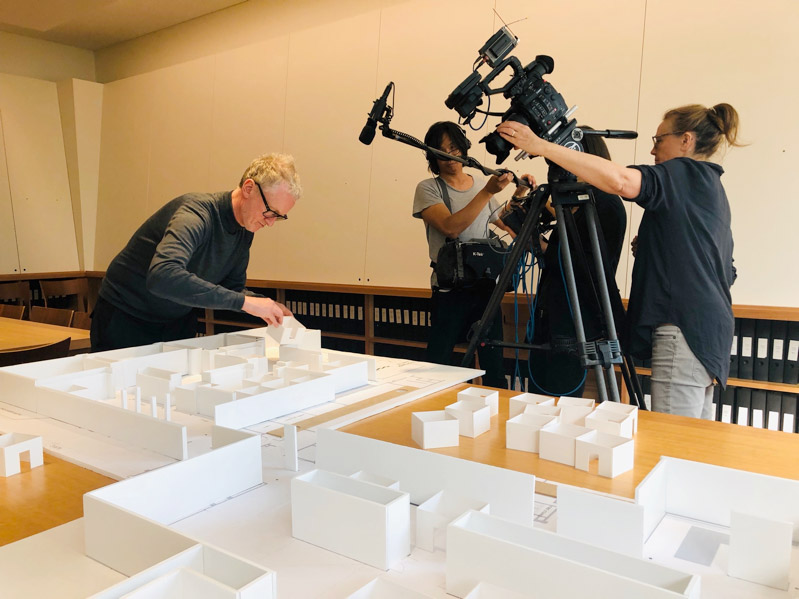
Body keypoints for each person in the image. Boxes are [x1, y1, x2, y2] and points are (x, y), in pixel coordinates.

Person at [498, 104, 741, 418]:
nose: (652, 149)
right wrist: (656, 249)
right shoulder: (710, 188)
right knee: (690, 440)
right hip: (708, 334)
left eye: (659, 139)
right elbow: (726, 270)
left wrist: (540, 145)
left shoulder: (685, 172)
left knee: (672, 439)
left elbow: (623, 182)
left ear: (686, 140)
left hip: (683, 331)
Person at [91, 153, 302, 352]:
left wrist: (269, 306)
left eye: (279, 217)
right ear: (248, 188)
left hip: (175, 320)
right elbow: (163, 275)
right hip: (126, 316)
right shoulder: (196, 213)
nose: (271, 223)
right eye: (270, 212)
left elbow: (231, 289)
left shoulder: (244, 231)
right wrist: (246, 303)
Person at [412, 121, 530, 388]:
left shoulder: (481, 184)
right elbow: (451, 227)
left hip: (486, 288)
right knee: (439, 367)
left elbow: (504, 221)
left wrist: (519, 192)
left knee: (494, 367)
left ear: (464, 149)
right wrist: (487, 191)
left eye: (453, 147)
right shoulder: (429, 188)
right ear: (431, 155)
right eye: (440, 151)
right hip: (449, 290)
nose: (449, 156)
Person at [528, 128, 627, 397]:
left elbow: (577, 265)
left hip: (574, 324)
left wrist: (527, 237)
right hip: (556, 318)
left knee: (560, 410)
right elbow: (566, 256)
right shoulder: (581, 207)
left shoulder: (602, 204)